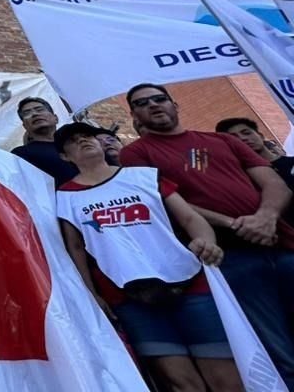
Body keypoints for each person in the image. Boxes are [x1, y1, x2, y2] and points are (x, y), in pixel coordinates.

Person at [121, 83, 294, 387]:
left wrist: (265, 218)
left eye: (159, 99)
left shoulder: (223, 140)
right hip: (228, 259)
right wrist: (236, 224)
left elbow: (274, 183)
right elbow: (166, 203)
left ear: (175, 104)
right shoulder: (135, 153)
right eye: (142, 103)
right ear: (135, 115)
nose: (153, 105)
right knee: (278, 349)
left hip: (282, 244)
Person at [54, 122, 241, 392]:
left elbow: (190, 217)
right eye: (74, 141)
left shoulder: (144, 176)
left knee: (226, 379)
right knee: (181, 382)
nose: (84, 141)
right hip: (126, 294)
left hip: (188, 282)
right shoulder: (64, 197)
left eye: (89, 136)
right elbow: (75, 249)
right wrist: (92, 294)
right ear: (64, 156)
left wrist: (206, 241)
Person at [217, 117, 294, 222]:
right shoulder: (245, 181)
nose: (243, 139)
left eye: (246, 133)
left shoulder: (291, 163)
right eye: (234, 138)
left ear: (261, 136)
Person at [9, 97, 78, 187]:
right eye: (27, 113)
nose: (34, 114)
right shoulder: (21, 154)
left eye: (40, 110)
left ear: (55, 118)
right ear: (25, 125)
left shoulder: (77, 143)